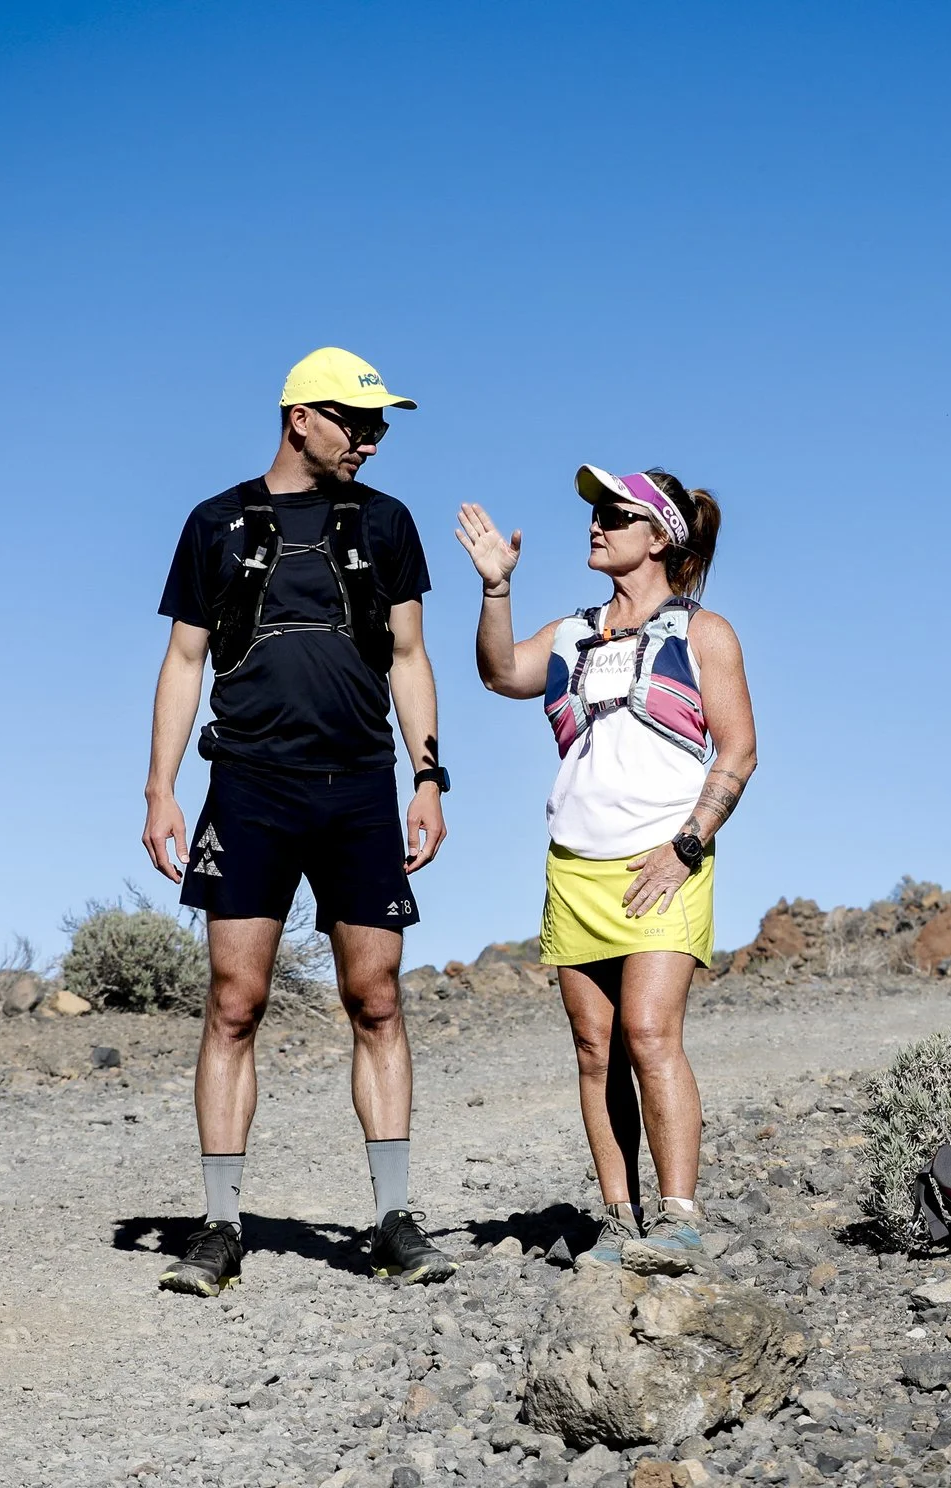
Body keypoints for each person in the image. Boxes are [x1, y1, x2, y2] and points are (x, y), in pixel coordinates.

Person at [143, 346, 457, 1294]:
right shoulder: (216, 522)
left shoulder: (388, 523)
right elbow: (184, 660)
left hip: (360, 788)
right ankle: (220, 1226)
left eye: (380, 425)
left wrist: (429, 778)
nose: (372, 440)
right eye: (358, 422)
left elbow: (409, 655)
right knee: (234, 1001)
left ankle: (394, 1221)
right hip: (248, 787)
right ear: (300, 419)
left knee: (378, 997)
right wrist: (160, 789)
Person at [454, 466, 756, 1269]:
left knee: (650, 1032)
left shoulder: (704, 634)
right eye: (595, 511)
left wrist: (687, 845)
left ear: (660, 537)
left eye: (616, 514)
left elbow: (739, 751)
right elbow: (499, 672)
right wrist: (495, 588)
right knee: (595, 1047)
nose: (596, 523)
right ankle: (622, 1222)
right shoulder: (569, 634)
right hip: (575, 866)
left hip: (665, 860)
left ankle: (680, 1219)